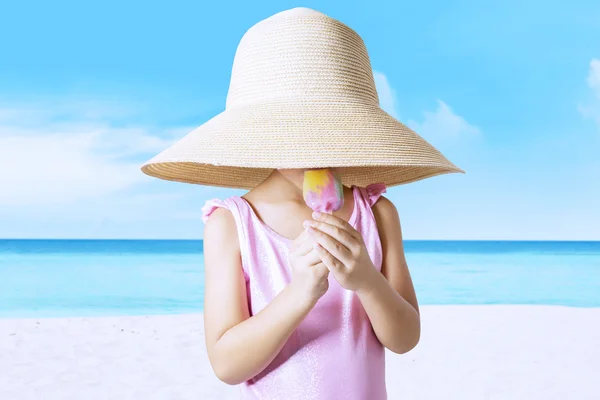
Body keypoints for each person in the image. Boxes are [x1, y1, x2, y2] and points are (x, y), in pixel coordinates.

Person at [141, 7, 463, 400]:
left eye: (334, 129)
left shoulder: (377, 213)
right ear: (260, 134)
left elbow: (404, 339)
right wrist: (302, 291)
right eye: (300, 133)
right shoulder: (231, 224)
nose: (320, 150)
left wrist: (366, 280)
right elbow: (227, 365)